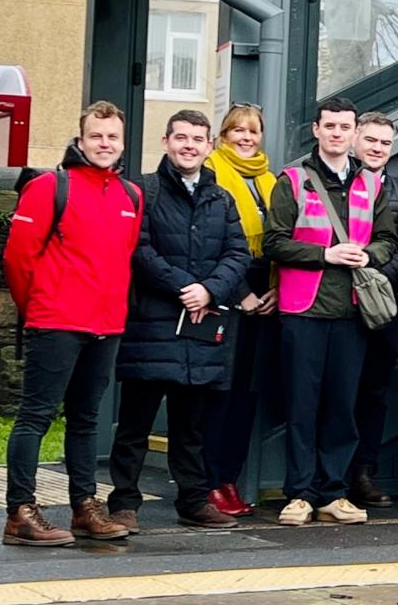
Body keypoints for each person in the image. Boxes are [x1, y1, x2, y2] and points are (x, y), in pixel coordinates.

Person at [0, 101, 145, 547]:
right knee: (35, 417)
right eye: (96, 136)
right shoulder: (48, 187)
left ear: (122, 143)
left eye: (113, 137)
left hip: (106, 325)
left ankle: (84, 507)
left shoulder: (131, 196)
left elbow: (123, 261)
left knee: (85, 420)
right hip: (56, 321)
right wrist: (39, 308)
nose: (105, 144)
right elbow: (17, 258)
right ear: (81, 139)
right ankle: (20, 512)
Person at [106, 110, 251, 532]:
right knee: (135, 426)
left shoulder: (221, 198)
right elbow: (139, 248)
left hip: (200, 330)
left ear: (210, 146)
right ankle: (123, 505)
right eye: (181, 137)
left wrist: (210, 290)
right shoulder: (142, 191)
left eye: (198, 139)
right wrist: (186, 286)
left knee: (191, 428)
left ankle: (193, 501)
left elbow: (238, 253)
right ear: (166, 141)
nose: (189, 145)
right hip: (152, 326)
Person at [263, 96, 398, 527]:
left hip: (352, 311)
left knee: (343, 406)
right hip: (303, 308)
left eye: (346, 127)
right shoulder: (291, 180)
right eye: (331, 126)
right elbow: (274, 242)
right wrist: (327, 254)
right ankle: (300, 494)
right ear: (316, 130)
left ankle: (333, 492)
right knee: (302, 405)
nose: (338, 134)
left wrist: (367, 255)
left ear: (355, 133)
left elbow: (387, 238)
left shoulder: (373, 185)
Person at [202, 103, 281, 518]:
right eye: (238, 131)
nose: (247, 138)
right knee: (222, 393)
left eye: (253, 132)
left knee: (248, 395)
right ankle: (210, 479)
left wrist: (274, 291)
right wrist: (243, 292)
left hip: (265, 297)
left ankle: (229, 478)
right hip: (229, 296)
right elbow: (217, 243)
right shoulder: (213, 172)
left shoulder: (270, 180)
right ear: (223, 135)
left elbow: (284, 238)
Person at [349, 111, 398, 508]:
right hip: (338, 305)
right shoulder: (335, 184)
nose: (377, 148)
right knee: (336, 393)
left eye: (384, 142)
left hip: (386, 307)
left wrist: (379, 276)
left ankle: (363, 473)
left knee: (374, 394)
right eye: (370, 140)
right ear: (356, 139)